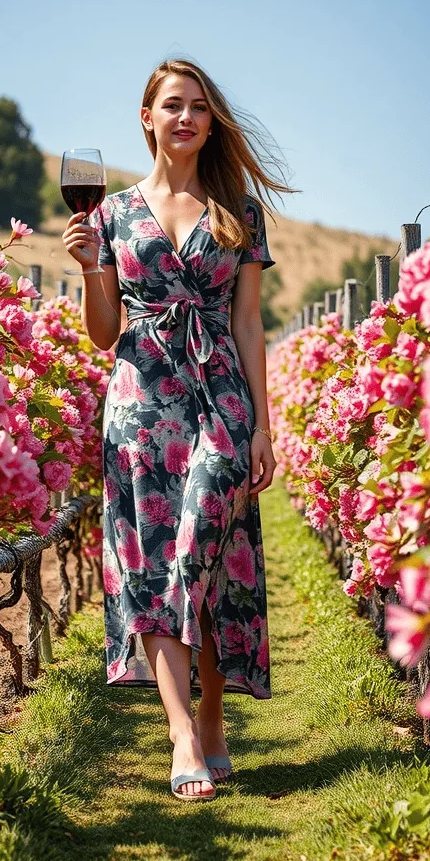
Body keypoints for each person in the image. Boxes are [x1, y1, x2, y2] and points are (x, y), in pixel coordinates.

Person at [61, 58, 298, 802]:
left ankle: (215, 712)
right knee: (154, 562)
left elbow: (249, 323)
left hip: (221, 396)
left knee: (203, 551)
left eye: (198, 106)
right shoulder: (111, 214)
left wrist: (262, 427)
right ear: (148, 118)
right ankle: (184, 731)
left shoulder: (238, 212)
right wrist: (89, 268)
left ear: (210, 121)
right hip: (140, 402)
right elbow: (105, 333)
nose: (186, 117)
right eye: (172, 105)